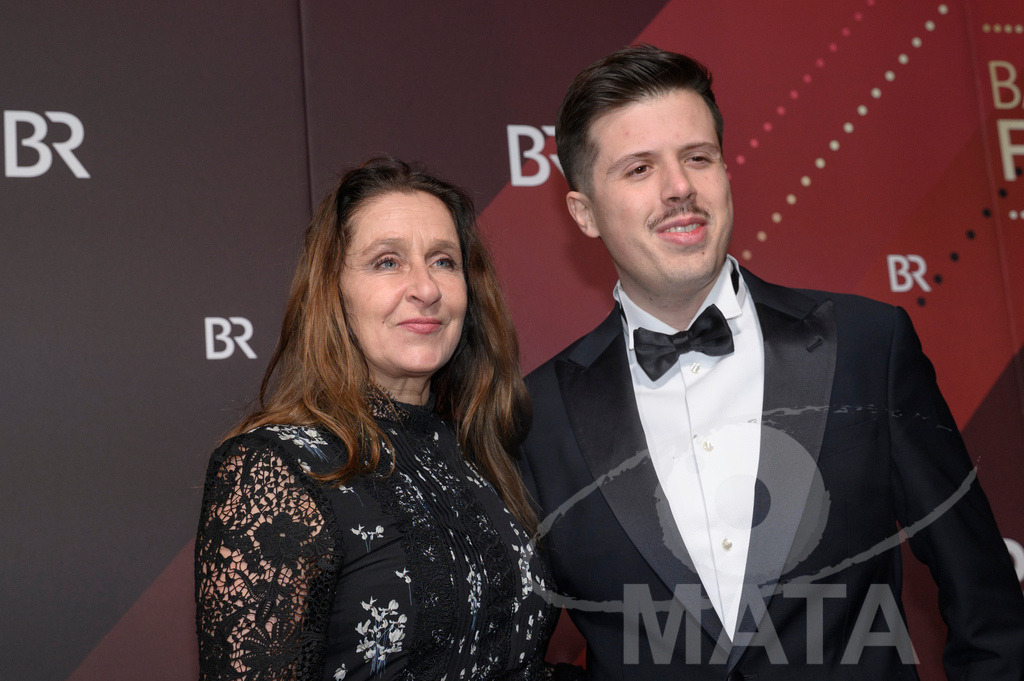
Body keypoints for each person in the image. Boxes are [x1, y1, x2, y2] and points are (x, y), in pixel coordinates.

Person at [519, 45, 1024, 680]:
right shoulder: (536, 418)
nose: (680, 188)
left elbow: (987, 601)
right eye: (640, 169)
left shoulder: (870, 346)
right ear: (584, 213)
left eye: (698, 158)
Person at [195, 157, 581, 680]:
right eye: (387, 262)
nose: (425, 288)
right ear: (334, 293)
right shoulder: (272, 469)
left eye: (443, 261)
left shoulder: (484, 453)